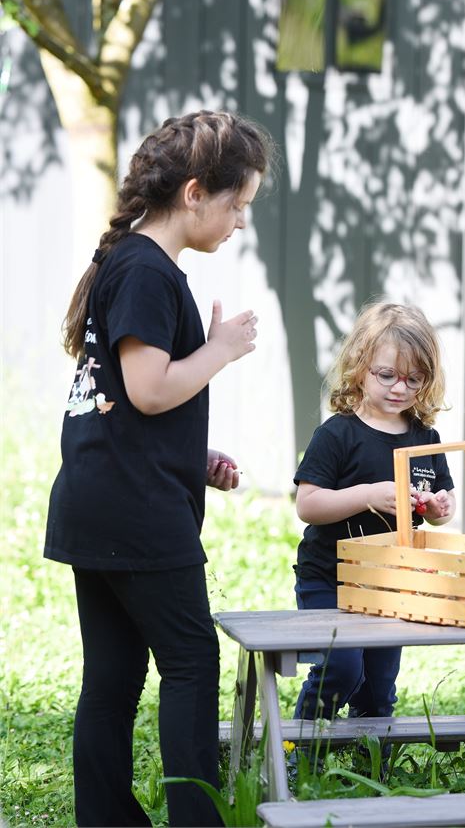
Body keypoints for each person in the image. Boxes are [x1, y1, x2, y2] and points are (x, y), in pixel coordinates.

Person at [44, 110, 273, 827]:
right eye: (237, 204)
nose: (239, 221)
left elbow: (124, 402)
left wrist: (192, 457)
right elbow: (148, 387)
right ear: (196, 191)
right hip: (138, 514)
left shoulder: (129, 264)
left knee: (112, 678)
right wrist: (223, 347)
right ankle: (195, 821)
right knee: (189, 661)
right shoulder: (147, 268)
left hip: (98, 503)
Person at [293, 301, 456, 729]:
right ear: (359, 367)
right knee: (344, 670)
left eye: (413, 379)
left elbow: (441, 507)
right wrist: (366, 495)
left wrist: (439, 507)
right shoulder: (337, 434)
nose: (399, 389)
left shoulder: (425, 439)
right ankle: (300, 748)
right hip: (329, 579)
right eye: (386, 375)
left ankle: (370, 767)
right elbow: (307, 505)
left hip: (391, 583)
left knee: (378, 685)